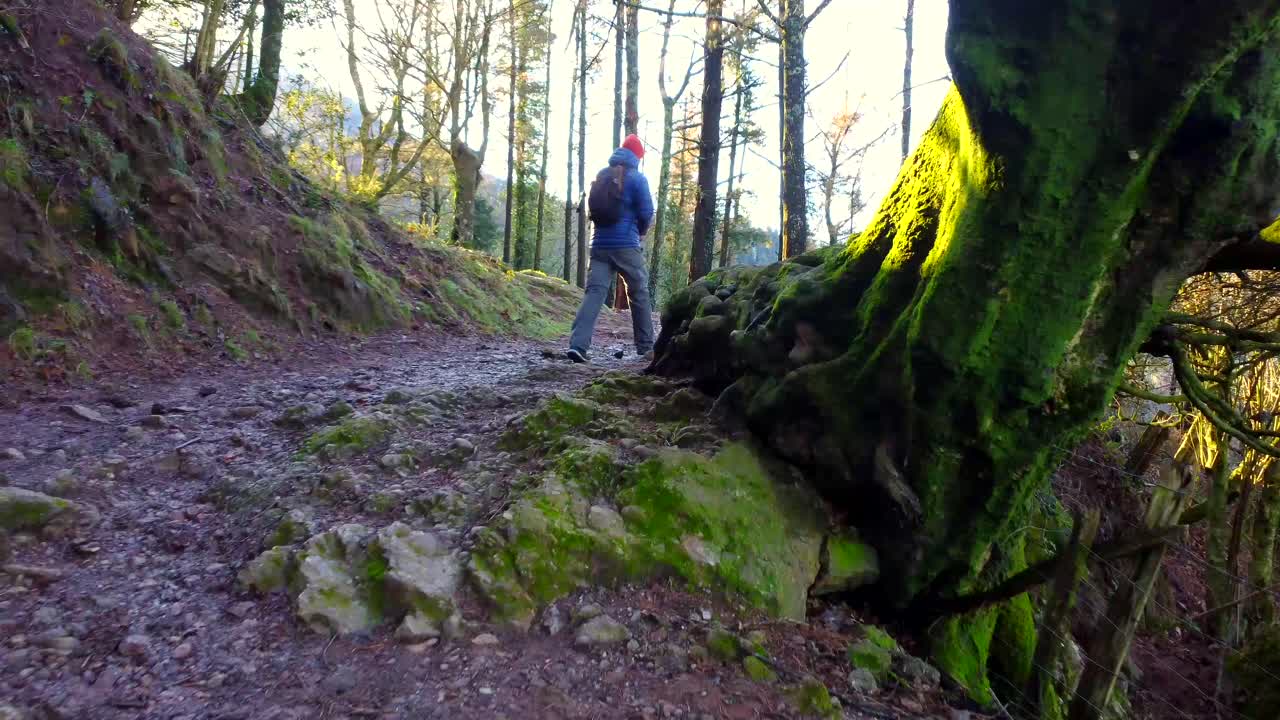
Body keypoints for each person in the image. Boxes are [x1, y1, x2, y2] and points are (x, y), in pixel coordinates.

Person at [566, 134, 655, 363]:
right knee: (639, 293)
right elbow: (646, 212)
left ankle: (578, 346)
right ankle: (646, 349)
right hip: (626, 245)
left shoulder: (602, 175)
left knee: (594, 294)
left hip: (598, 246)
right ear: (636, 156)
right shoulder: (637, 178)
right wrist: (641, 231)